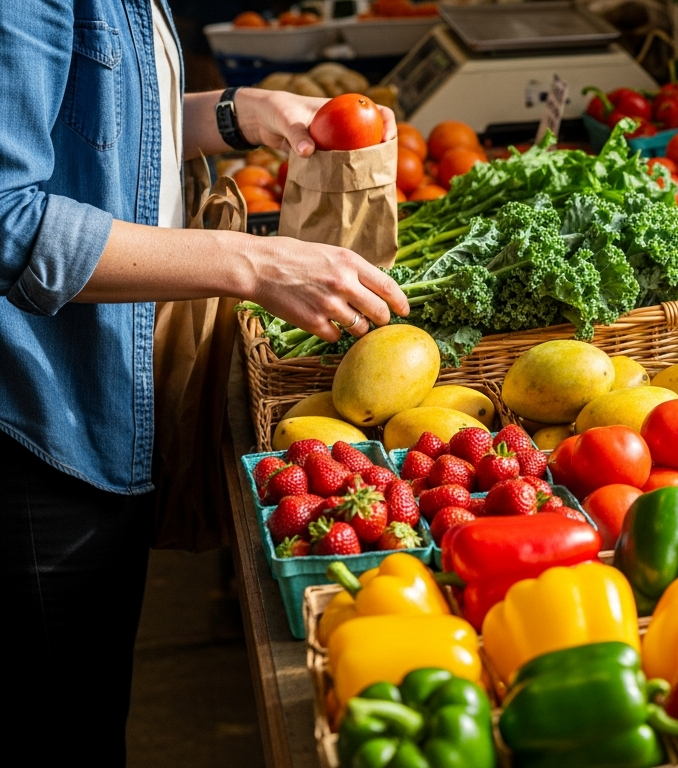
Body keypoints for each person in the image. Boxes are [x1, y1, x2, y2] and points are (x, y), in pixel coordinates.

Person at [0, 1, 408, 761]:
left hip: (90, 387)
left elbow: (102, 126)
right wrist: (252, 263)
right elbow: (8, 220)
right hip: (34, 421)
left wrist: (239, 112)